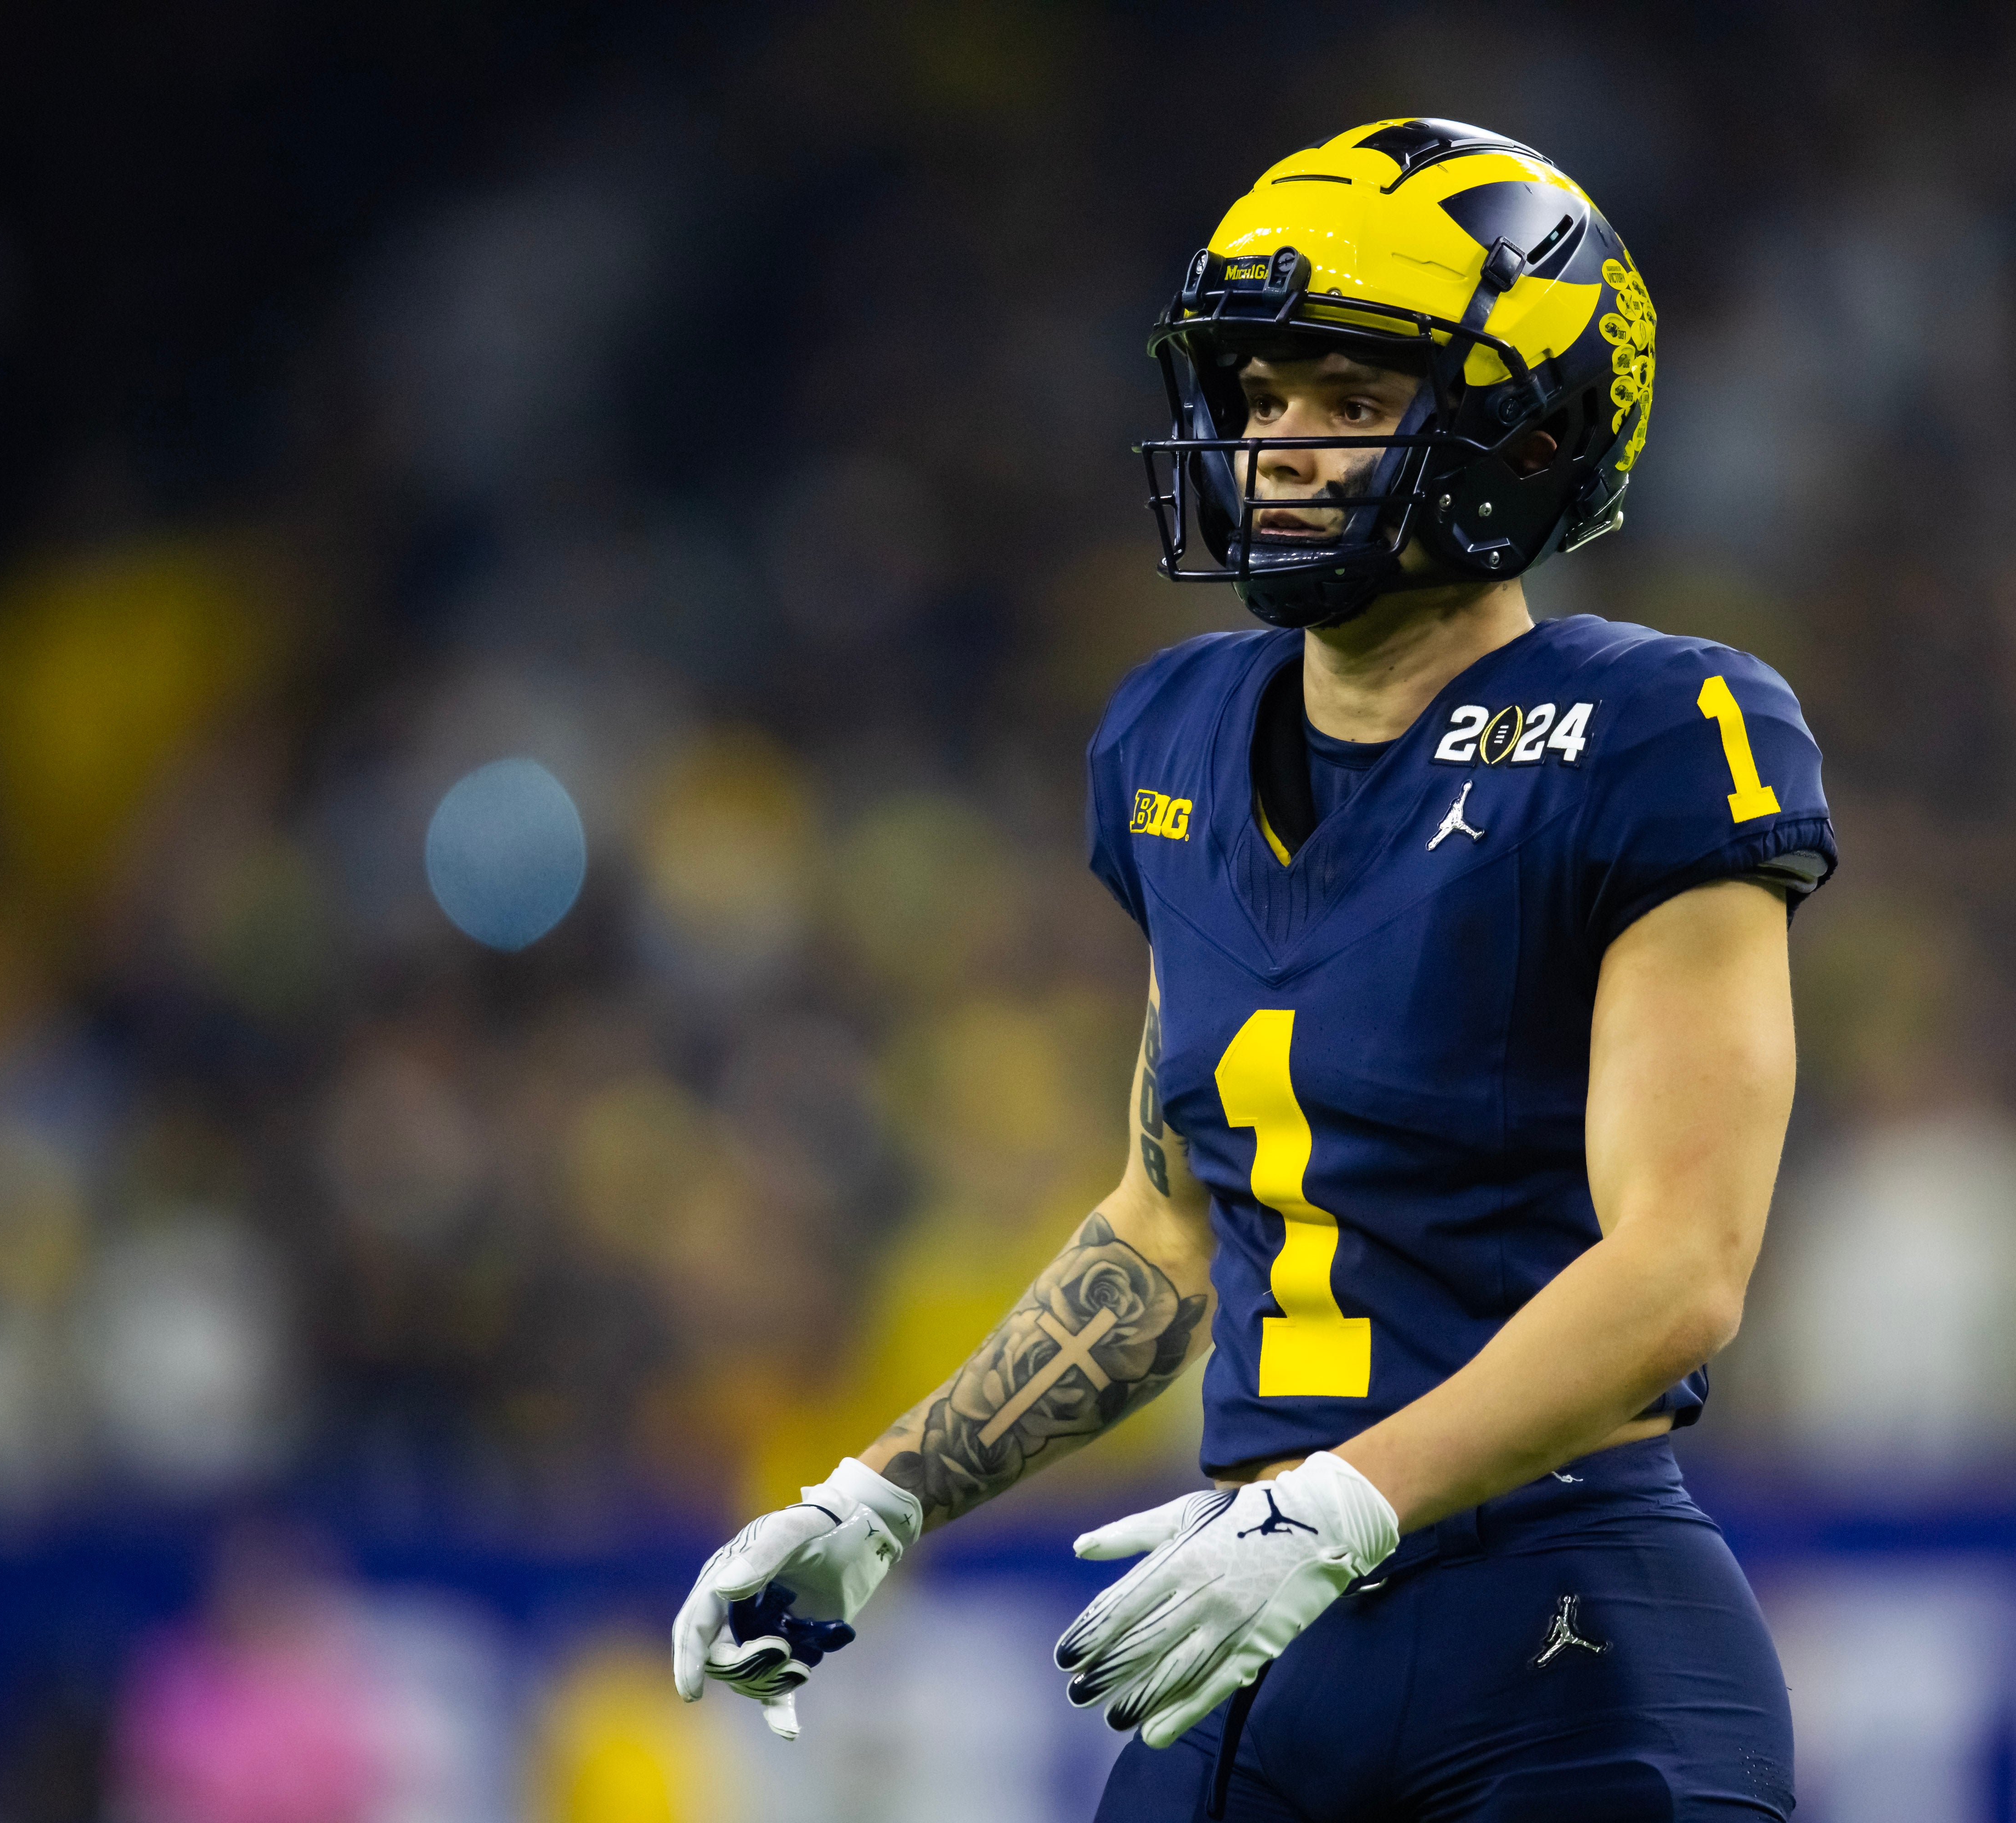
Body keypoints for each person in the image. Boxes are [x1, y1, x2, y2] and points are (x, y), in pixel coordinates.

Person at [673, 116, 1834, 1822]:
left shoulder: (1655, 728)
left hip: (1562, 1629)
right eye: (1267, 396)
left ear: (1524, 427)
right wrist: (881, 1498)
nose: (1283, 446)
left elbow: (1683, 1265)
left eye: (1354, 402)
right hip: (1250, 1629)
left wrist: (1345, 1502)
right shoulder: (1179, 734)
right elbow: (1170, 1222)